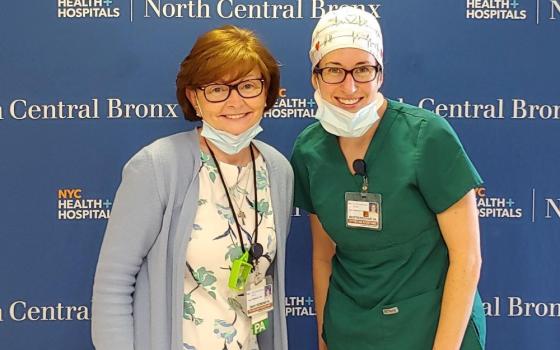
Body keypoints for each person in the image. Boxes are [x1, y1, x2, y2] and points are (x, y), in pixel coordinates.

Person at [290, 7, 486, 350]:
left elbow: (467, 257)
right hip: (350, 327)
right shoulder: (309, 151)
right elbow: (323, 255)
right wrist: (326, 337)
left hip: (432, 324)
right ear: (315, 77)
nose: (349, 86)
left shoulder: (428, 137)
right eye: (334, 70)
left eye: (363, 69)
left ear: (380, 74)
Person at [92, 25, 293, 350]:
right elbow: (113, 286)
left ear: (266, 92)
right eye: (217, 88)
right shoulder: (158, 166)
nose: (235, 100)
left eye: (248, 86)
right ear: (194, 97)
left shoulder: (277, 170)